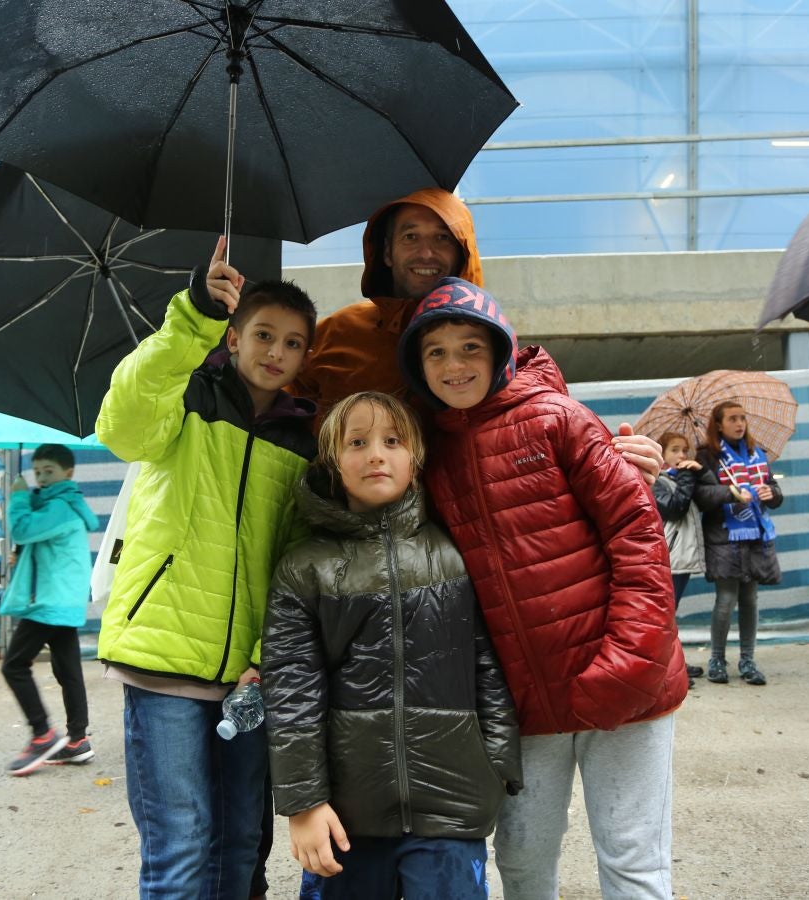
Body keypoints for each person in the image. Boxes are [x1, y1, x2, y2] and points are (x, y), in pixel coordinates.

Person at [397, 278, 686, 900]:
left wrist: (628, 665)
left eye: (471, 347)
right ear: (418, 367)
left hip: (627, 685)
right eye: (437, 351)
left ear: (500, 350)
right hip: (525, 704)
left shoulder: (559, 420)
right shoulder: (429, 454)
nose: (455, 365)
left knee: (632, 857)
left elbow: (640, 543)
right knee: (523, 860)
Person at [96, 237, 318, 899]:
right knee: (182, 844)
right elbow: (123, 425)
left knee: (242, 844)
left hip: (249, 677)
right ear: (234, 336)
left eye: (293, 343)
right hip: (163, 656)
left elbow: (294, 565)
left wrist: (265, 655)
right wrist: (192, 315)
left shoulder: (304, 441)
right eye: (263, 335)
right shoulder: (184, 397)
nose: (276, 352)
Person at [262, 391, 523, 899]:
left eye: (392, 440)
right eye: (356, 442)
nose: (376, 454)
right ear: (333, 463)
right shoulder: (304, 568)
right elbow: (292, 695)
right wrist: (304, 803)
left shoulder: (454, 554)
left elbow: (489, 667)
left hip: (451, 810)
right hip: (345, 817)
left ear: (416, 457)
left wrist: (497, 767)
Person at [287, 186, 665, 482]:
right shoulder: (338, 331)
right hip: (339, 528)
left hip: (456, 543)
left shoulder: (491, 342)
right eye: (410, 237)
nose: (426, 253)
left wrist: (620, 463)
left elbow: (548, 427)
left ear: (462, 252)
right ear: (386, 252)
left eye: (442, 238)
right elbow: (274, 407)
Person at [0, 443, 100, 775]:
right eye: (37, 471)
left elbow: (25, 528)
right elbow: (36, 540)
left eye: (48, 471)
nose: (40, 477)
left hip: (49, 602)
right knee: (68, 671)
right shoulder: (58, 505)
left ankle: (43, 734)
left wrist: (18, 496)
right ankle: (77, 741)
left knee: (13, 666)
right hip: (61, 600)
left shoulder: (61, 506)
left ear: (68, 473)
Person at [691, 402, 783, 687]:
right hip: (724, 536)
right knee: (726, 599)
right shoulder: (707, 456)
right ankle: (717, 659)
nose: (740, 423)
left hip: (756, 536)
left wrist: (772, 493)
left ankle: (748, 660)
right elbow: (702, 496)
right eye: (732, 419)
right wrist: (731, 494)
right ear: (718, 424)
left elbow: (774, 491)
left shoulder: (757, 454)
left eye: (742, 418)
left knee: (750, 599)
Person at [653, 432, 706, 686]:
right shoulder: (657, 481)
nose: (682, 455)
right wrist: (687, 476)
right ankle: (665, 671)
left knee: (671, 615)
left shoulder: (681, 478)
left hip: (681, 558)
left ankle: (676, 664)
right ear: (662, 455)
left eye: (685, 450)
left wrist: (697, 473)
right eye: (674, 450)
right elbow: (675, 507)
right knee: (664, 616)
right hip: (669, 558)